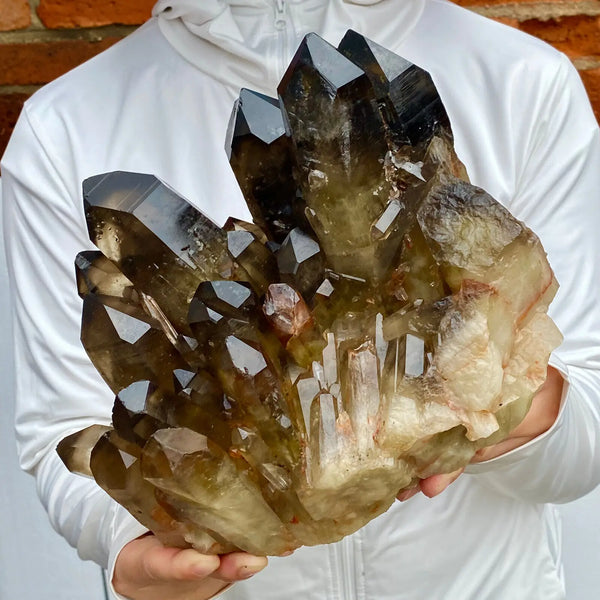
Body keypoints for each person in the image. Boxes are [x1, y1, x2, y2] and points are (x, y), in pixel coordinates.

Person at [2, 1, 600, 599]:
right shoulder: (61, 129)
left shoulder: (523, 80)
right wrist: (122, 544)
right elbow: (66, 433)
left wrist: (484, 399)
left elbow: (588, 433)